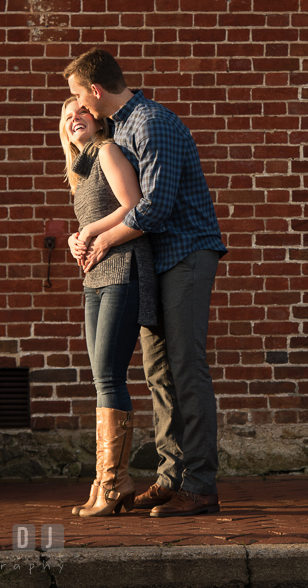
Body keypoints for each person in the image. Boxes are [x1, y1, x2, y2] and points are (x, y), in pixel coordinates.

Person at [63, 48, 227, 518]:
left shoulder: (151, 122)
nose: (78, 107)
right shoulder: (121, 128)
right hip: (152, 262)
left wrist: (99, 237)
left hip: (187, 254)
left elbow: (154, 207)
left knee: (186, 366)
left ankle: (199, 486)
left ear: (95, 91)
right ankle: (170, 478)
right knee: (158, 373)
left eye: (79, 96)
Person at [59, 96, 158, 518]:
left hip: (123, 270)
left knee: (109, 375)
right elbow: (96, 220)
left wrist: (89, 230)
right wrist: (73, 240)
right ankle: (105, 481)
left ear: (97, 119)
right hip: (96, 277)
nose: (73, 119)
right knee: (101, 377)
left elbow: (134, 206)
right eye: (66, 117)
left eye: (80, 111)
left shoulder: (108, 150)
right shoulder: (80, 170)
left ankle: (116, 482)